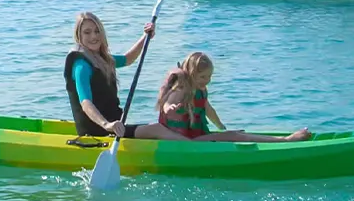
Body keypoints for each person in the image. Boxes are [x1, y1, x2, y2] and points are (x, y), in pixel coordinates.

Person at [157, 51, 310, 142]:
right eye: (203, 77)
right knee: (235, 136)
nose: (208, 80)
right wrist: (169, 108)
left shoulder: (201, 90)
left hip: (197, 136)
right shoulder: (182, 90)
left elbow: (208, 109)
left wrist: (220, 126)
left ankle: (278, 140)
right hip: (185, 141)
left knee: (232, 134)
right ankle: (285, 141)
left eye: (210, 76)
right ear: (191, 74)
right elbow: (167, 103)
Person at [65, 11, 173, 139]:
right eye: (87, 32)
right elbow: (86, 103)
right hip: (97, 131)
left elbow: (128, 59)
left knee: (163, 127)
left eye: (97, 31)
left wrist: (145, 36)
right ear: (79, 36)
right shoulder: (81, 66)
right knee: (157, 129)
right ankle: (194, 148)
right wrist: (106, 124)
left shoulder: (102, 60)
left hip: (116, 126)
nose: (93, 36)